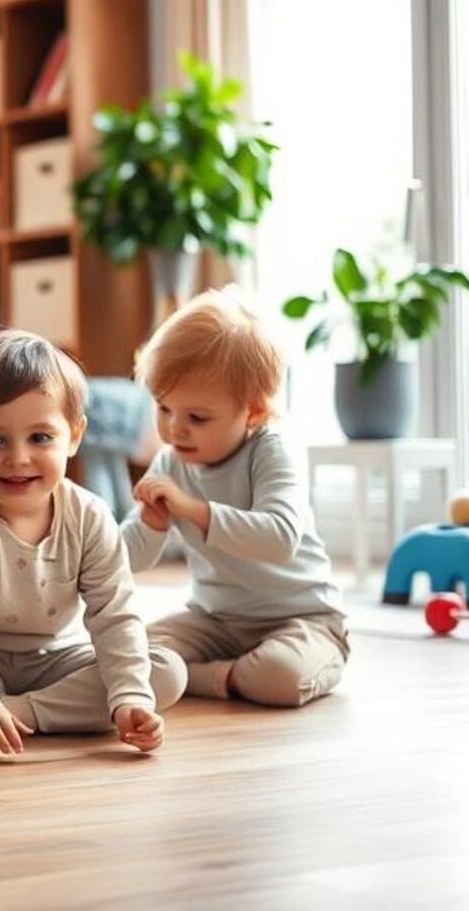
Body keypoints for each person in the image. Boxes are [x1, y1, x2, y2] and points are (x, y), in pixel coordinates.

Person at [0, 330, 184, 756]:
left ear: (73, 435)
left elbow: (114, 613)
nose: (18, 458)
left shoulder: (88, 516)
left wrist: (130, 698)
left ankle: (17, 716)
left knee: (165, 671)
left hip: (57, 661)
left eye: (40, 438)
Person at [124, 288, 349, 707]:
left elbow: (281, 537)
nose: (175, 429)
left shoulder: (270, 450)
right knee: (128, 655)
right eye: (164, 408)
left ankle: (214, 677)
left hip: (303, 619)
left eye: (197, 417)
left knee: (278, 677)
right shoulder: (171, 463)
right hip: (216, 621)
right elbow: (129, 558)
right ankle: (229, 676)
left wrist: (192, 510)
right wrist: (149, 528)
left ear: (255, 412)